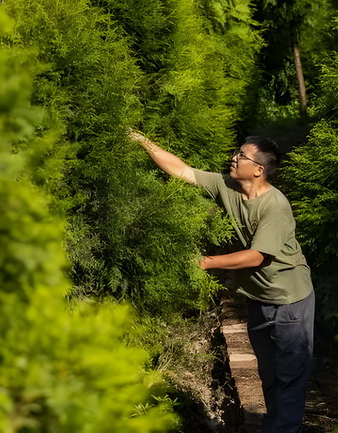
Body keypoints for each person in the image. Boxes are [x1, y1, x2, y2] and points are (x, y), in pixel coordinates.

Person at [129, 129, 314, 433]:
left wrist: (206, 262)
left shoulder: (275, 206)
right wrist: (144, 142)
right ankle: (275, 425)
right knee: (268, 373)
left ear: (259, 169)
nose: (234, 157)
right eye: (236, 152)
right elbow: (183, 171)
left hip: (290, 300)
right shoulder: (228, 186)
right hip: (257, 296)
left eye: (242, 155)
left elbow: (257, 256)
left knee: (290, 375)